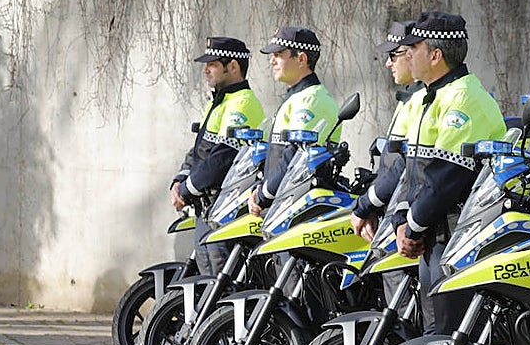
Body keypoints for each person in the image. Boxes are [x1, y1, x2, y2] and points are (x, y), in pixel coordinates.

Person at [353, 11, 505, 335]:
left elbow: (445, 177)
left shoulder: (463, 98)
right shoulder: (433, 97)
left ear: (435, 55)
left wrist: (411, 226)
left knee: (447, 336)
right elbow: (413, 172)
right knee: (435, 332)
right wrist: (402, 220)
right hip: (434, 233)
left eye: (413, 48)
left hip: (454, 233)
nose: (406, 54)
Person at [171, 36, 265, 275]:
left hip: (224, 210)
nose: (205, 70)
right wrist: (179, 179)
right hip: (207, 207)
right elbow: (199, 149)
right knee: (208, 279)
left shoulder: (243, 103)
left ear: (232, 66)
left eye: (212, 63)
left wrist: (186, 190)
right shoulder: (220, 102)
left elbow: (222, 158)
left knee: (222, 281)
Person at [248, 26, 341, 216]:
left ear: (301, 59)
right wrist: (261, 187)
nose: (272, 60)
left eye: (279, 54)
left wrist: (264, 195)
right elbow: (277, 155)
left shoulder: (311, 99)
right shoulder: (296, 97)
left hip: (298, 209)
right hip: (282, 203)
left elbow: (294, 155)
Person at [351, 20, 425, 243]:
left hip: (406, 219)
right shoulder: (411, 97)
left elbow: (406, 165)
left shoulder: (423, 100)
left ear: (413, 54)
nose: (387, 63)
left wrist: (366, 205)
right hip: (393, 210)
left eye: (393, 55)